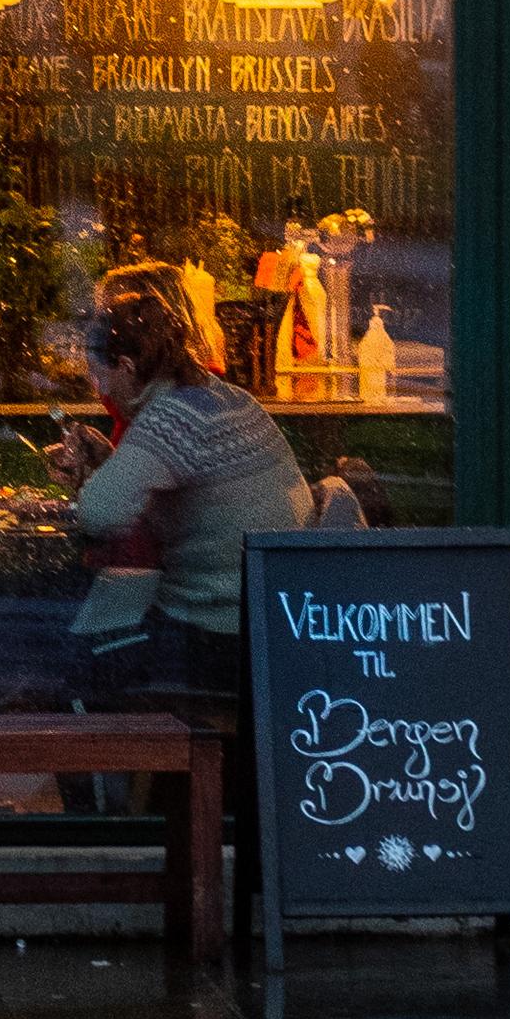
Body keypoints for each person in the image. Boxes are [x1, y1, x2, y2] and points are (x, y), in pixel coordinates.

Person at [48, 263, 311, 703]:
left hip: (218, 634)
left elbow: (98, 513)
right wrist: (111, 463)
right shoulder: (223, 397)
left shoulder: (169, 417)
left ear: (128, 366)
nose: (99, 388)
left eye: (100, 375)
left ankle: (109, 765)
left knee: (65, 659)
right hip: (276, 623)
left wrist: (89, 477)